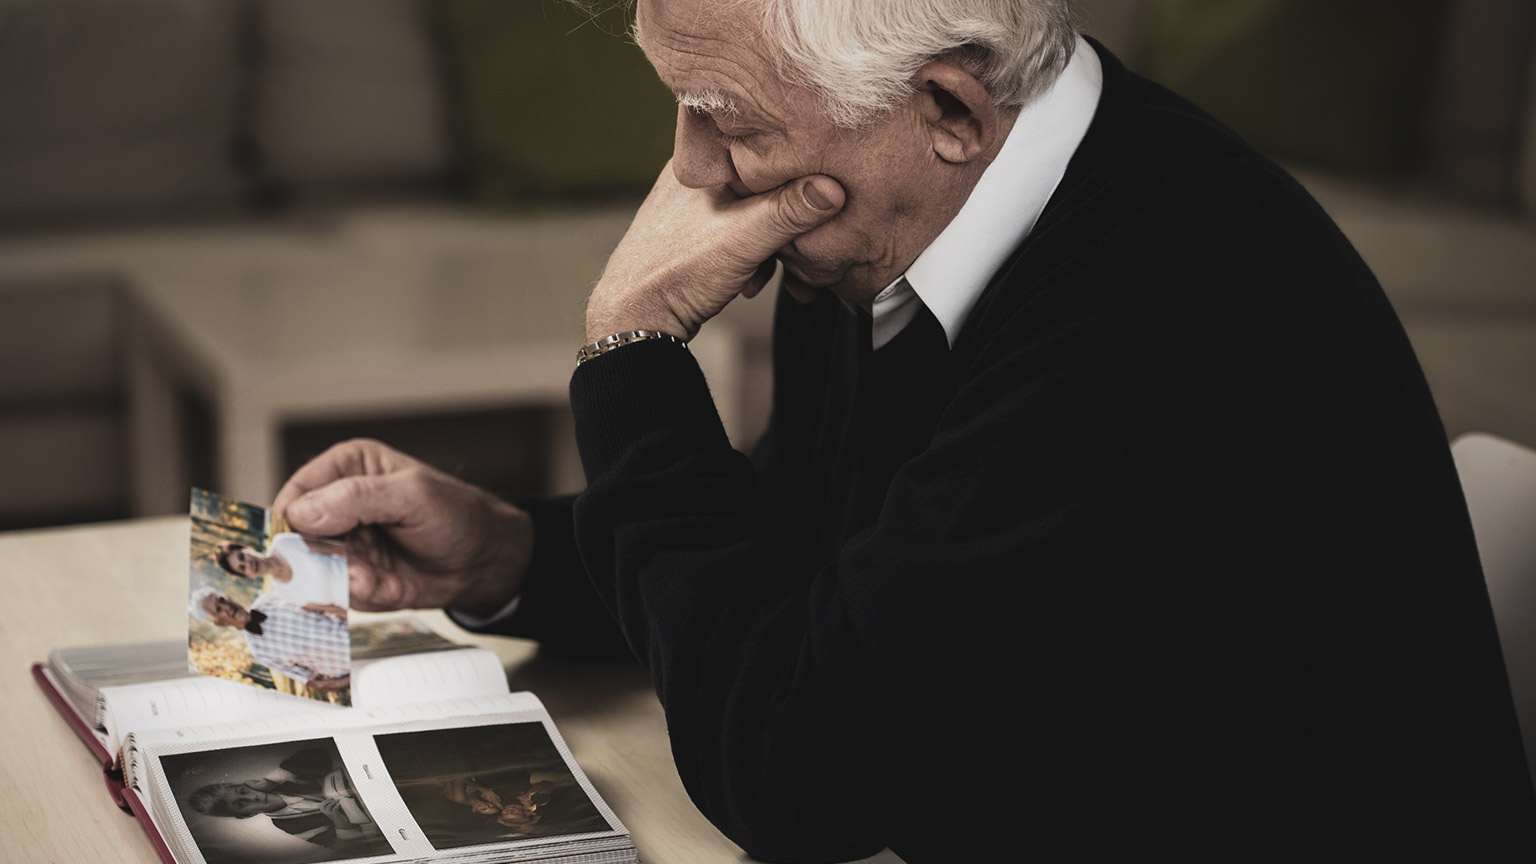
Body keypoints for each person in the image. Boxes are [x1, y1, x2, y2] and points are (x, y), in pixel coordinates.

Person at [271, 0, 1535, 859]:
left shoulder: (1174, 304)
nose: (695, 172)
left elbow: (797, 771)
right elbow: (812, 557)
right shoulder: (894, 208)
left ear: (949, 106)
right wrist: (514, 557)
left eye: (727, 115)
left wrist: (630, 356)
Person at [186, 749, 384, 852]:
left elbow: (317, 755)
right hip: (380, 813)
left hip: (374, 778)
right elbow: (341, 847)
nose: (252, 796)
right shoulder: (287, 825)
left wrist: (270, 780)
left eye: (242, 791)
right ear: (246, 814)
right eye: (242, 803)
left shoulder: (285, 781)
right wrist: (340, 824)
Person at [190, 587, 350, 692]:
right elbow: (318, 684)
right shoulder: (259, 652)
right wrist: (357, 676)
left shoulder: (271, 598)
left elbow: (329, 606)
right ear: (221, 623)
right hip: (353, 667)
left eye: (222, 600)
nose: (227, 607)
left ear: (229, 596)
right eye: (219, 609)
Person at [214, 533, 349, 609]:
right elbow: (333, 609)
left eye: (242, 556)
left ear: (246, 547)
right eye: (242, 568)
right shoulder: (284, 594)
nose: (248, 564)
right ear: (248, 576)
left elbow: (339, 549)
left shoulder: (283, 543)